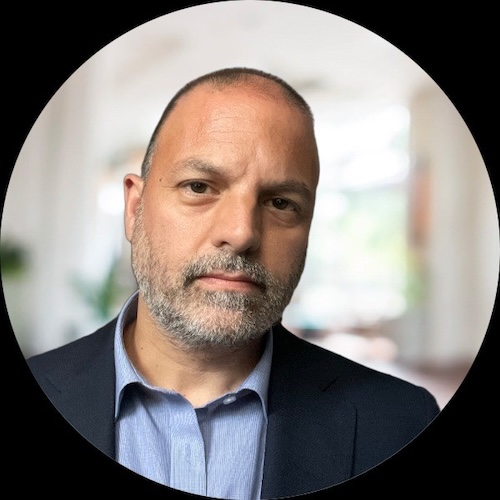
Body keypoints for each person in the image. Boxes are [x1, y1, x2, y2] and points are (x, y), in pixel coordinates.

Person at [26, 67, 440, 499]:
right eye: (199, 187)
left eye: (280, 202)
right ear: (134, 209)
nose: (241, 233)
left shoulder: (401, 424)